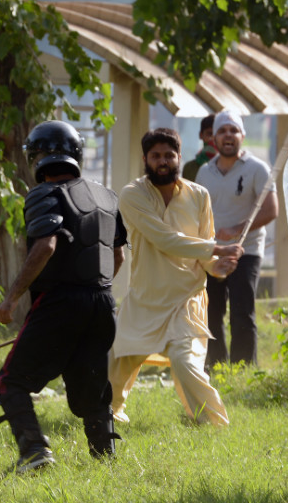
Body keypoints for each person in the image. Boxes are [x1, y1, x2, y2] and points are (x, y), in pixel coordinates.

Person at [0, 120, 128, 473]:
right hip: (102, 303)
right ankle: (105, 460)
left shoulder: (43, 195)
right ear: (76, 155)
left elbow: (46, 245)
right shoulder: (108, 198)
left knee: (10, 381)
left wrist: (11, 298)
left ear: (36, 157)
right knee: (93, 391)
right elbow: (118, 256)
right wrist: (93, 290)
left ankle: (34, 451)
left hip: (58, 304)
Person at [109, 127, 242, 427]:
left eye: (169, 155)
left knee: (185, 364)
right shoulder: (132, 195)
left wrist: (217, 267)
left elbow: (205, 254)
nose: (163, 161)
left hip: (187, 299)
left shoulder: (199, 196)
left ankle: (212, 424)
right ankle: (109, 415)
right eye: (156, 156)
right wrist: (217, 249)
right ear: (145, 159)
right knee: (116, 364)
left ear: (179, 157)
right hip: (145, 298)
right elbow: (165, 239)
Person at [195, 111, 277, 367]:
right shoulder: (203, 173)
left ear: (242, 135)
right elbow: (196, 214)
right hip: (213, 253)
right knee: (212, 312)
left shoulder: (257, 168)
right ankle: (217, 368)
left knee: (242, 312)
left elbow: (271, 209)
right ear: (214, 138)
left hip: (247, 251)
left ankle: (243, 371)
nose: (228, 135)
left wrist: (237, 229)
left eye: (233, 130)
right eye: (222, 131)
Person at [181, 114, 216, 182]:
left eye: (216, 134)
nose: (212, 139)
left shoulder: (228, 167)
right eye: (209, 134)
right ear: (201, 135)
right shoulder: (189, 168)